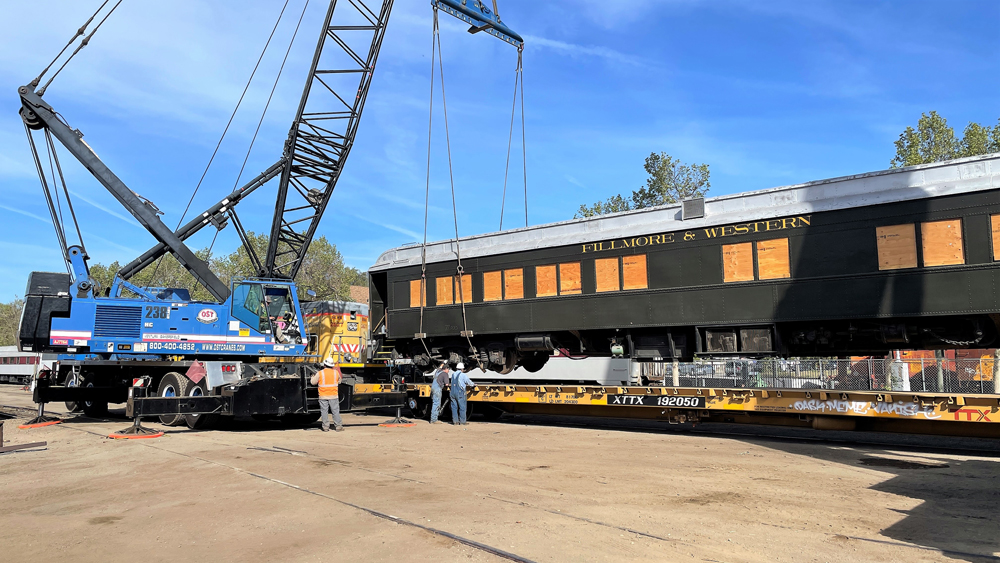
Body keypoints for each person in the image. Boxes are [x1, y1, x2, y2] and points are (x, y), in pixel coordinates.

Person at [310, 358, 343, 432]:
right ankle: (338, 426)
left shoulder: (320, 373)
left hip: (323, 395)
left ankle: (325, 427)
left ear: (324, 365)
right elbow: (340, 381)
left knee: (324, 411)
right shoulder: (336, 373)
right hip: (333, 395)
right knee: (335, 411)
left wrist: (312, 376)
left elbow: (313, 382)